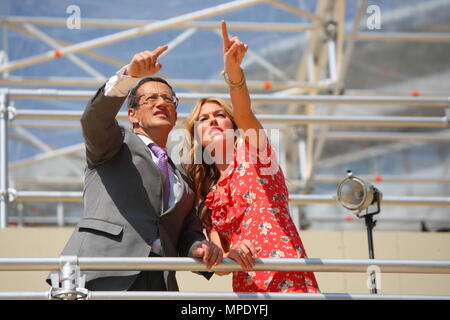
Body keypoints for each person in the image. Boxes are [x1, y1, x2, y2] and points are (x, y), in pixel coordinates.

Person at [47, 45, 222, 291]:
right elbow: (94, 120)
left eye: (168, 99)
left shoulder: (183, 177)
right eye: (151, 99)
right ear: (133, 115)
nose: (161, 102)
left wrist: (197, 246)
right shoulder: (113, 143)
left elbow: (186, 233)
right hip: (101, 273)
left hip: (159, 283)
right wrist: (129, 75)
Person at [183, 21, 320, 293]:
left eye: (220, 115)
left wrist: (234, 73)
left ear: (234, 127)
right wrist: (228, 254)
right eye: (203, 119)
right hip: (248, 288)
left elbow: (245, 113)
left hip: (288, 279)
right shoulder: (209, 195)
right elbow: (217, 259)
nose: (212, 120)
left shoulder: (256, 154)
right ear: (196, 137)